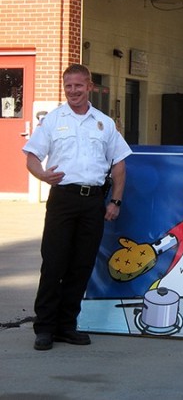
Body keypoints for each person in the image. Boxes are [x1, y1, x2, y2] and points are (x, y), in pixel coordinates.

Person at [23, 64, 132, 351]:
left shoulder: (104, 123)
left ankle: (67, 326)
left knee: (81, 265)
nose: (73, 91)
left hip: (94, 201)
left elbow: (119, 163)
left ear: (89, 87)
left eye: (78, 86)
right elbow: (32, 156)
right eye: (68, 86)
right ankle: (45, 328)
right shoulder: (53, 120)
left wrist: (115, 201)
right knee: (54, 263)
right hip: (63, 200)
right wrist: (42, 174)